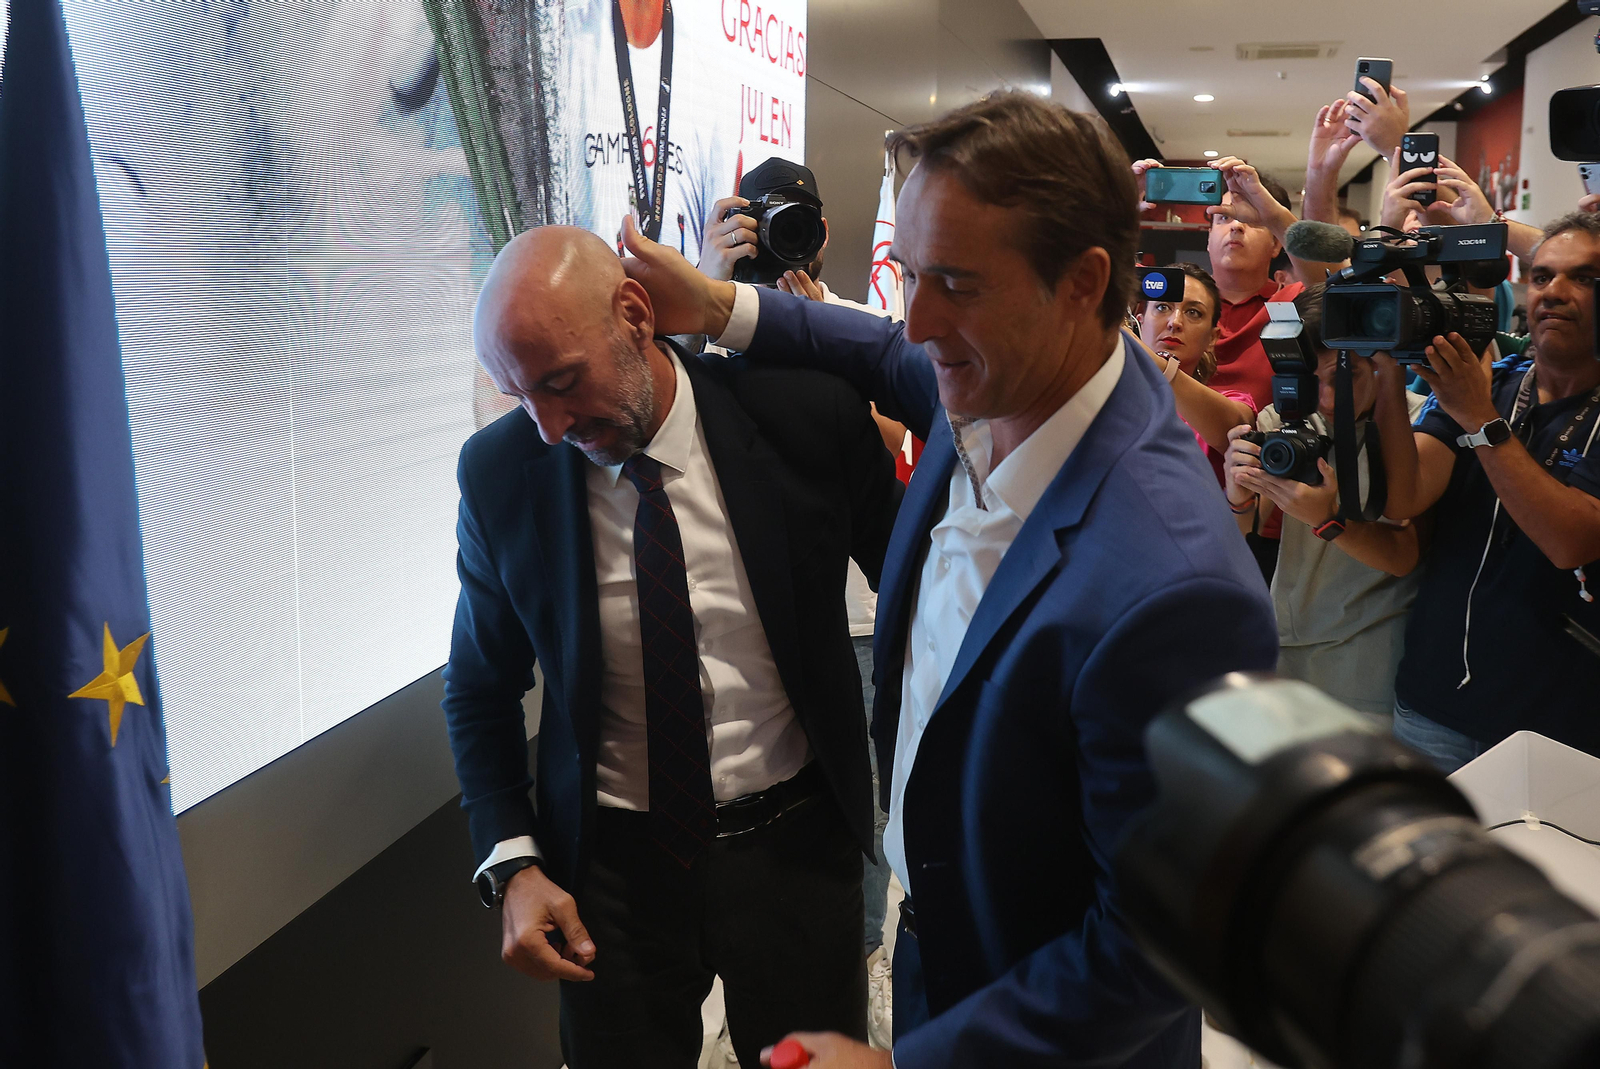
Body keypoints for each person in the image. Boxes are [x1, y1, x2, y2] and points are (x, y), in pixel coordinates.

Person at [620, 89, 1279, 1069]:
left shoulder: (1175, 590)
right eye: (910, 274)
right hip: (941, 955)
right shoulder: (1009, 371)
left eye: (956, 285)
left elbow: (1156, 945)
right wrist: (717, 302)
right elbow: (877, 346)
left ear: (1080, 282)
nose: (917, 319)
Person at [442, 226, 905, 1069]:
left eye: (560, 382)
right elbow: (480, 687)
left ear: (635, 313)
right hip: (611, 872)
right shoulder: (502, 473)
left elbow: (923, 609)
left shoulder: (803, 417)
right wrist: (514, 863)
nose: (548, 426)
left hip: (796, 843)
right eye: (521, 396)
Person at [1381, 211, 1600, 770]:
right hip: (1431, 708)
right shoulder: (1492, 381)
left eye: (1585, 278)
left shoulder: (1477, 395)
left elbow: (1570, 540)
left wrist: (1478, 418)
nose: (1554, 292)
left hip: (1556, 731)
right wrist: (1384, 367)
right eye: (1542, 276)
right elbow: (1404, 497)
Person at [1222, 284, 1428, 716]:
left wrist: (1328, 520)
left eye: (1343, 377)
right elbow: (1250, 531)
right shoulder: (1286, 417)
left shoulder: (1420, 425)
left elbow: (1404, 554)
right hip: (1284, 648)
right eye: (1308, 380)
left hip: (1366, 660)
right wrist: (1237, 494)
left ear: (1378, 359)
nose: (1328, 400)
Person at [1134, 262, 1255, 484]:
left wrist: (1156, 365)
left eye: (1193, 312)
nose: (1175, 322)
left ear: (1212, 338)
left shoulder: (1232, 403)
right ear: (1139, 323)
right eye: (1162, 307)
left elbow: (1234, 427)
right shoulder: (1105, 399)